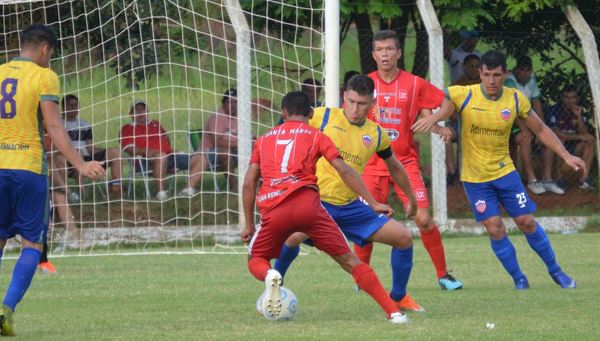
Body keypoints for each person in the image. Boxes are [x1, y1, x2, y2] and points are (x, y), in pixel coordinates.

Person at [413, 50, 583, 290]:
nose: (491, 81)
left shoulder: (515, 99)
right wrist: (436, 122)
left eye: (496, 75)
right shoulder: (464, 94)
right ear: (479, 74)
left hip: (505, 174)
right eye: (486, 75)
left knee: (526, 221)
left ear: (505, 75)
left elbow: (541, 129)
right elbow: (426, 97)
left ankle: (556, 272)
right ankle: (519, 280)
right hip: (475, 179)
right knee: (495, 228)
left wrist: (566, 155)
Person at [241, 91, 408, 324]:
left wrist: (249, 224)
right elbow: (345, 170)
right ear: (311, 113)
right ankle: (394, 313)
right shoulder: (318, 135)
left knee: (255, 257)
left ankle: (271, 274)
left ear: (283, 113)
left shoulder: (264, 139)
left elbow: (249, 183)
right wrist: (372, 202)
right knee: (350, 261)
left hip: (275, 208)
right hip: (309, 207)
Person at [274, 75, 425, 312]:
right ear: (345, 97)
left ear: (372, 103)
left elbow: (395, 166)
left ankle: (398, 296)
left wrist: (413, 199)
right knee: (292, 237)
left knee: (403, 238)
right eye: (351, 101)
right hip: (316, 203)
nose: (355, 109)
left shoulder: (376, 133)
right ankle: (273, 290)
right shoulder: (322, 116)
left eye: (362, 103)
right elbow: (286, 132)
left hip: (350, 206)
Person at [0, 24, 105, 336]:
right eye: (52, 54)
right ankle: (6, 310)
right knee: (33, 242)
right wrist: (81, 164)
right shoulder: (44, 76)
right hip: (28, 170)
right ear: (45, 49)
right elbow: (54, 126)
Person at [357, 30, 463, 291]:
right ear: (373, 54)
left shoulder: (414, 83)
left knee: (424, 219)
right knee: (367, 222)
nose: (385, 54)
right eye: (380, 49)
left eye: (390, 49)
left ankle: (443, 275)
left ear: (398, 53)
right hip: (371, 166)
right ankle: (361, 277)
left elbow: (448, 104)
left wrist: (433, 120)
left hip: (404, 163)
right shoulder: (365, 84)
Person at [120, 100, 203, 201]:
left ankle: (187, 190)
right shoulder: (127, 128)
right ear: (130, 114)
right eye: (137, 110)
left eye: (143, 109)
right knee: (161, 156)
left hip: (169, 156)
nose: (141, 113)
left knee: (200, 157)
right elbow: (129, 149)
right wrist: (146, 151)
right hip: (144, 160)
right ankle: (161, 194)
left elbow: (166, 141)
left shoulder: (156, 124)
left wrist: (172, 150)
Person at [61, 94, 124, 201]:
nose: (73, 108)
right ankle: (83, 192)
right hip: (68, 159)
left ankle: (116, 189)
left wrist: (105, 151)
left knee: (114, 151)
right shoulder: (58, 124)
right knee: (78, 151)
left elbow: (90, 148)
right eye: (69, 105)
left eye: (75, 105)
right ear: (63, 107)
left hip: (86, 157)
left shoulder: (84, 124)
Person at [504, 55, 549, 195]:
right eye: (521, 70)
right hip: (509, 119)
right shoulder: (510, 80)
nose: (524, 73)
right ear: (516, 69)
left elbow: (536, 103)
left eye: (527, 70)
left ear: (531, 71)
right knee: (525, 138)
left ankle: (547, 179)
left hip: (527, 119)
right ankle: (532, 180)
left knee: (547, 138)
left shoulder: (532, 79)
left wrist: (541, 129)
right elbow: (513, 108)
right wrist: (525, 130)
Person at [182, 89, 239, 196]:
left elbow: (252, 136)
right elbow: (216, 142)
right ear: (224, 103)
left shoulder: (241, 117)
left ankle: (261, 185)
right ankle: (234, 186)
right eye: (230, 102)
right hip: (210, 153)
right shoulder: (217, 117)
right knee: (225, 152)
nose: (233, 105)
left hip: (236, 151)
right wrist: (238, 145)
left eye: (236, 102)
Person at [544, 85, 595, 190]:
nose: (570, 101)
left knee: (589, 142)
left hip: (574, 147)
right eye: (567, 97)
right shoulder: (553, 110)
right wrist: (580, 137)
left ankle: (583, 180)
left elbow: (585, 133)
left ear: (577, 99)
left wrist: (579, 116)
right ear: (562, 98)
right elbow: (557, 134)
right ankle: (559, 179)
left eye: (573, 97)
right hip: (558, 147)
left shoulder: (580, 110)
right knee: (560, 141)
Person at [446, 54, 482, 184]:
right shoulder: (456, 85)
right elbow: (451, 111)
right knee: (446, 135)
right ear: (464, 67)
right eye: (471, 66)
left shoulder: (483, 86)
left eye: (477, 67)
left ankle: (470, 173)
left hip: (478, 125)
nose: (473, 69)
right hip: (457, 123)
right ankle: (452, 172)